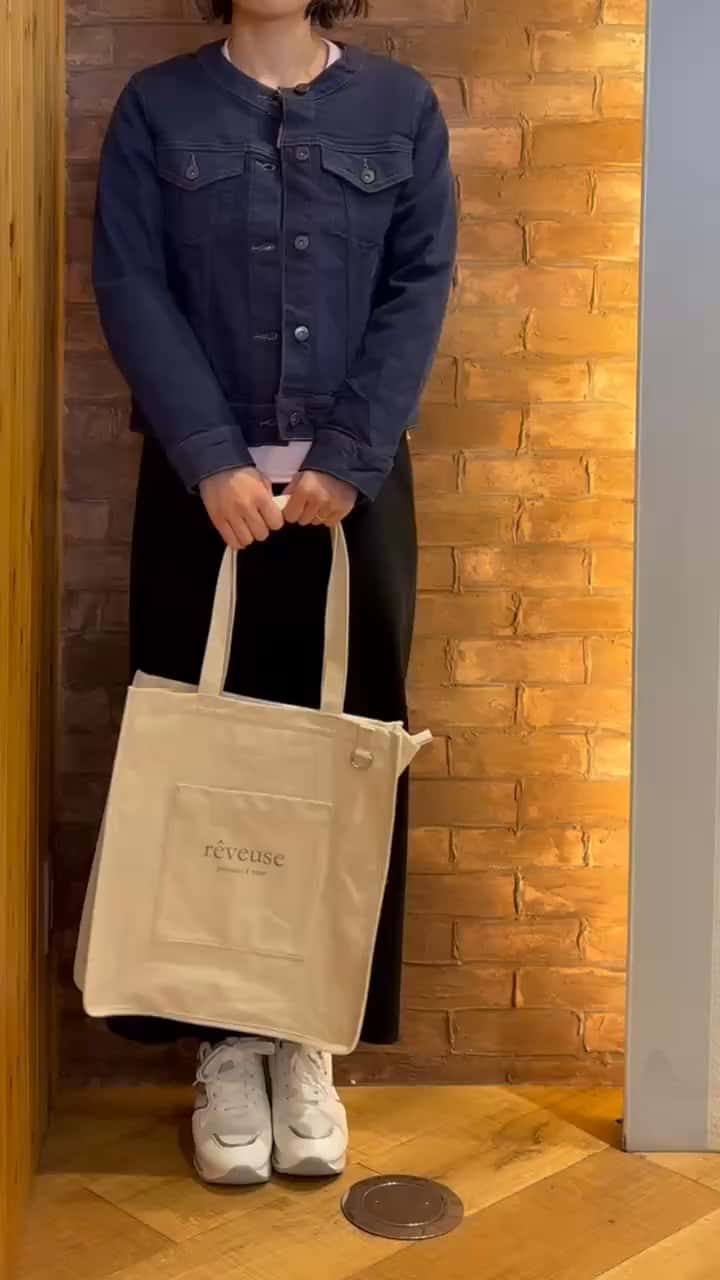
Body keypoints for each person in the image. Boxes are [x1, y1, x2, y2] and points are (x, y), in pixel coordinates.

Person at [91, 0, 456, 1186]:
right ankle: (221, 1042)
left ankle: (308, 1035)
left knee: (343, 757)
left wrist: (350, 456)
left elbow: (418, 285)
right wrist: (210, 455)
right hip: (203, 498)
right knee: (204, 759)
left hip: (354, 501)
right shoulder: (159, 107)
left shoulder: (399, 108)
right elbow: (130, 281)